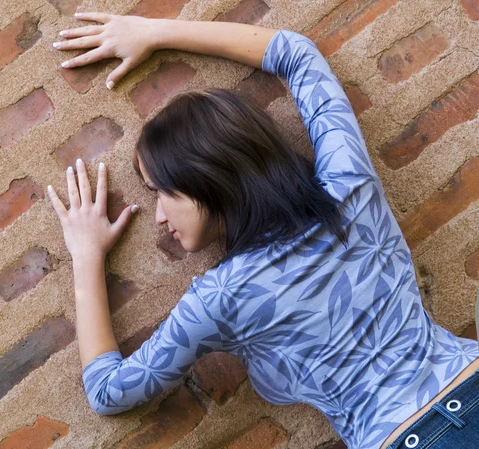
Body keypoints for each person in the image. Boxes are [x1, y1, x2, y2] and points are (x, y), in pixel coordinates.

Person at [47, 12, 479, 449]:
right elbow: (297, 55)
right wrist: (156, 32)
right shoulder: (349, 187)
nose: (158, 216)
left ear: (206, 177)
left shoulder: (220, 299)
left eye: (163, 192)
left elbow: (108, 391)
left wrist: (85, 255)